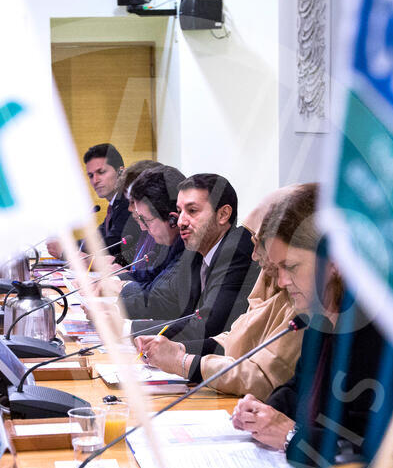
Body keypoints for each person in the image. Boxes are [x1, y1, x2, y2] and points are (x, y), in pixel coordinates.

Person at [229, 188, 393, 467]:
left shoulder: (385, 332)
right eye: (278, 269)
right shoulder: (322, 319)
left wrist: (291, 436)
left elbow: (380, 451)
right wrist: (262, 411)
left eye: (292, 267)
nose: (282, 282)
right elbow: (300, 388)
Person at [133, 184, 312, 399]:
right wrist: (177, 349)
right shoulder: (273, 277)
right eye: (180, 212)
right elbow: (238, 336)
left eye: (192, 210)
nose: (254, 254)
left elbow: (264, 377)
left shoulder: (299, 291)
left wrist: (182, 361)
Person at [133, 173, 259, 356]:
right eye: (180, 211)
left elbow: (207, 326)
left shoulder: (236, 250)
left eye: (192, 211)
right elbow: (169, 303)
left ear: (223, 214)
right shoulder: (195, 252)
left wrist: (125, 329)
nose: (181, 222)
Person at [99, 165, 198, 321]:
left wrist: (119, 295)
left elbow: (160, 299)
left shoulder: (192, 247)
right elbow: (153, 275)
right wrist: (115, 280)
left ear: (172, 220)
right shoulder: (171, 241)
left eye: (146, 220)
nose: (143, 227)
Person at [45, 142, 138, 265]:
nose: (95, 180)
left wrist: (67, 251)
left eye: (101, 172)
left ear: (121, 172)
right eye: (90, 175)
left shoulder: (130, 204)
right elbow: (97, 238)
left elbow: (110, 245)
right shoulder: (115, 205)